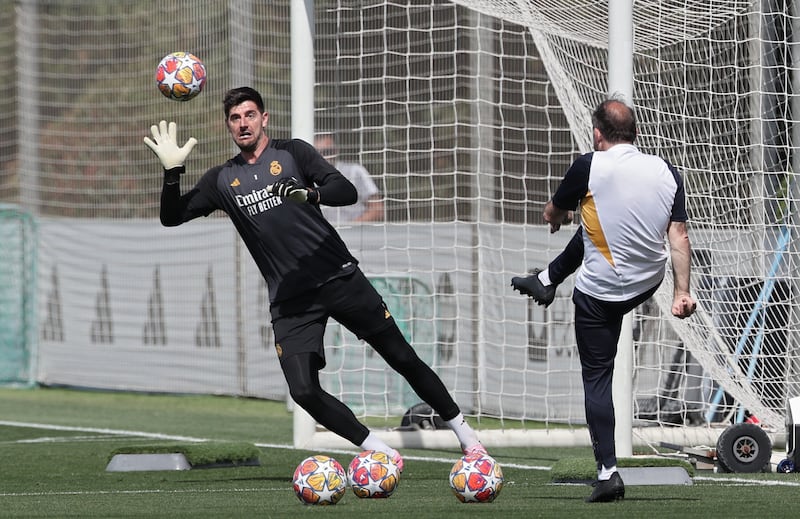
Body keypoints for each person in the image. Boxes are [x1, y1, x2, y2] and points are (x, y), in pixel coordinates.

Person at [143, 86, 486, 471]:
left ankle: (466, 437)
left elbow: (346, 190)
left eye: (250, 115)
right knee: (303, 390)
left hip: (338, 277)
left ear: (264, 118)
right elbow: (172, 217)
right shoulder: (222, 179)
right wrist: (172, 173)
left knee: (402, 356)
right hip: (291, 299)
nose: (244, 123)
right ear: (228, 125)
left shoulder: (294, 153)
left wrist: (310, 194)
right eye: (236, 118)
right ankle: (381, 451)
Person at [511, 98, 696, 503]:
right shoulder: (667, 170)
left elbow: (553, 213)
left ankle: (608, 473)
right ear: (635, 134)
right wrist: (682, 292)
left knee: (597, 378)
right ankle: (546, 278)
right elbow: (678, 234)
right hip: (649, 279)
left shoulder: (587, 164)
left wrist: (555, 217)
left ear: (598, 134)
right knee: (599, 217)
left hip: (601, 293)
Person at [313, 133, 384, 224]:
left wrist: (351, 227)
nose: (324, 157)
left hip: (355, 233)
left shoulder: (355, 171)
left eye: (328, 152)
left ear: (336, 151)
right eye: (318, 153)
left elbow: (377, 209)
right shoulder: (307, 177)